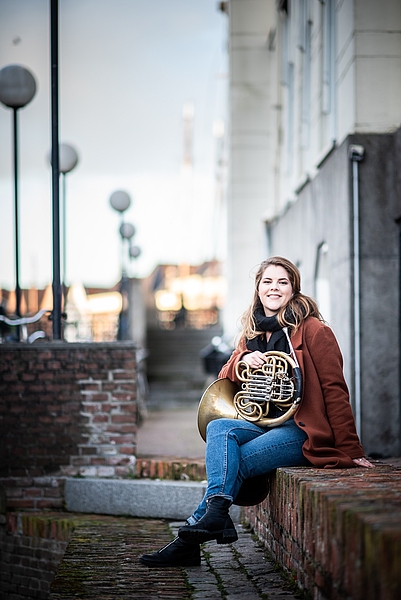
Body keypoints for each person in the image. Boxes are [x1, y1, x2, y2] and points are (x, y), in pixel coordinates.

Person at [140, 256, 374, 568]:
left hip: (301, 431)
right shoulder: (251, 333)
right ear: (258, 288)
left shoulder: (314, 330)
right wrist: (242, 360)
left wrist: (351, 448)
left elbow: (335, 391)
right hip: (264, 423)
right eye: (268, 281)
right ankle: (210, 523)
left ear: (293, 289)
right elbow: (225, 377)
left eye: (282, 282)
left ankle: (188, 541)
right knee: (219, 427)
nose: (274, 288)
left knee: (231, 463)